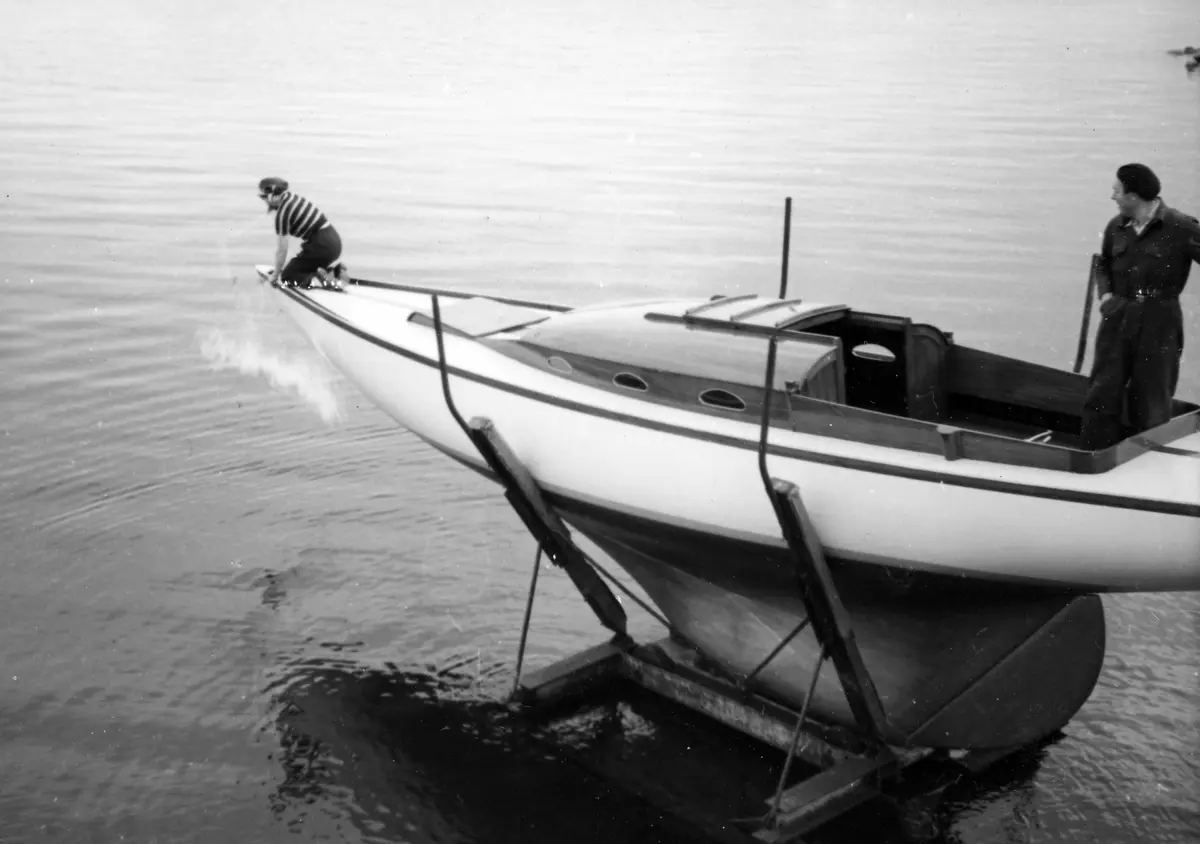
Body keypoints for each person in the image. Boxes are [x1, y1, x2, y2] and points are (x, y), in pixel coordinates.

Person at [1079, 163, 1200, 450]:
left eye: (1116, 191)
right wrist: (1106, 296)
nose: (1113, 197)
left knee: (1151, 399)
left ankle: (1146, 465)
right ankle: (1094, 459)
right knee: (1102, 392)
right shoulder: (1116, 226)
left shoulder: (1182, 227)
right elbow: (1103, 264)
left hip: (1160, 320)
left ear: (1133, 196)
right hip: (1118, 316)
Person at [258, 177, 347, 289]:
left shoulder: (283, 214)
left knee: (288, 276)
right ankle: (336, 272)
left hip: (321, 244)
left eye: (263, 197)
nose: (264, 201)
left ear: (271, 193)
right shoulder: (291, 197)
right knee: (301, 266)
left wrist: (275, 275)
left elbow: (282, 250)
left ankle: (320, 280)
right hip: (333, 240)